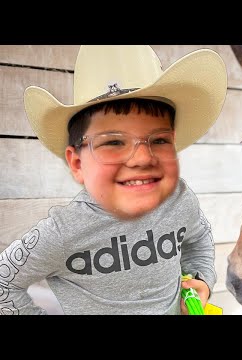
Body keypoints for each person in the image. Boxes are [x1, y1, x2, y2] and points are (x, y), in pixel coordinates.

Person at [0, 45, 227, 315]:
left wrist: (201, 278)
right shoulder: (64, 232)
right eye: (114, 142)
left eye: (158, 140)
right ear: (77, 163)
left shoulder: (179, 198)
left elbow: (198, 237)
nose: (142, 159)